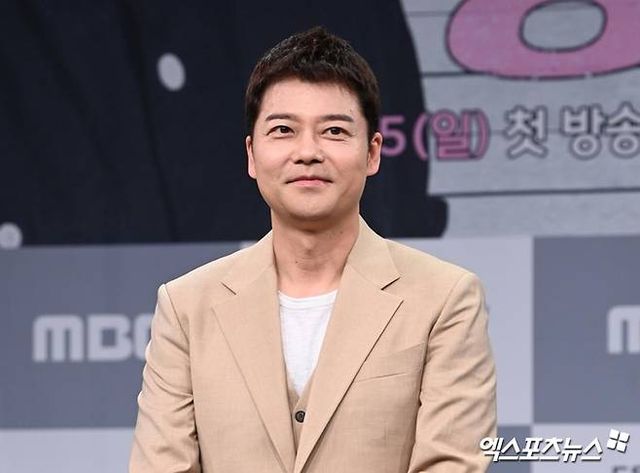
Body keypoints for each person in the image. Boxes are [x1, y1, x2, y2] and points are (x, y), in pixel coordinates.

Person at [130, 26, 496, 473]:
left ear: (373, 153)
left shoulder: (444, 299)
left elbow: (451, 464)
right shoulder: (187, 306)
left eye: (334, 131)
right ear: (252, 154)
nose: (307, 152)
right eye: (283, 129)